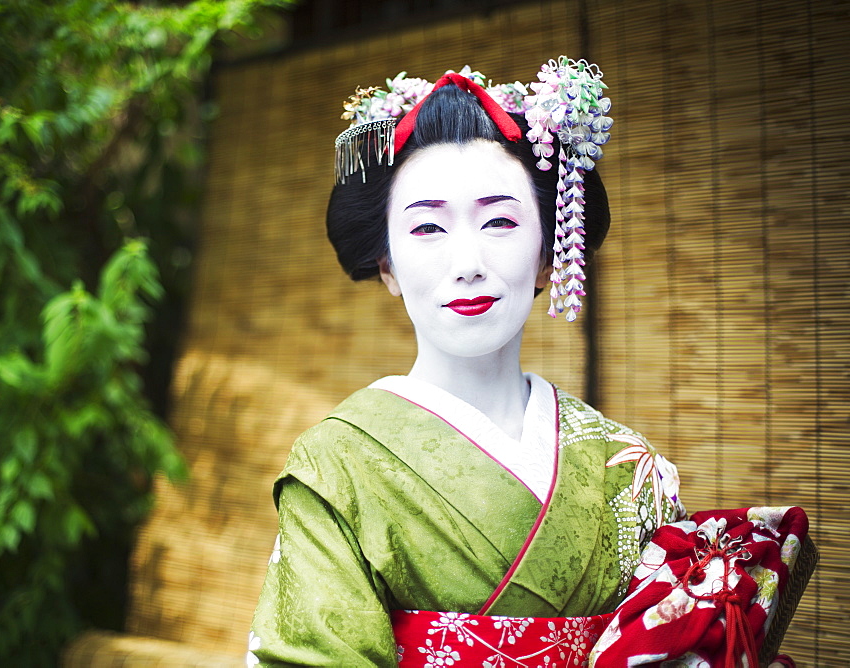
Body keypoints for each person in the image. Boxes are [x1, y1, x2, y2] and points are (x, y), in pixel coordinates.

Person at [248, 60, 686, 667]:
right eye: (427, 227)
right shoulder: (338, 462)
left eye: (500, 221)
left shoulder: (625, 463)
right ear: (388, 266)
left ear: (548, 253)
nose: (467, 261)